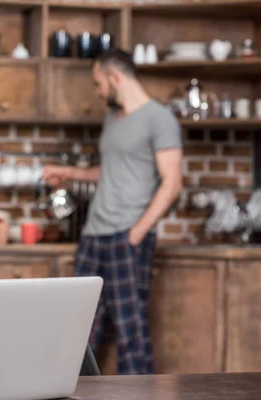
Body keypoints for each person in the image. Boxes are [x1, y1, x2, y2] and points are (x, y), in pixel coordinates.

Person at [43, 49, 183, 375]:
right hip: (94, 235)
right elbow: (111, 171)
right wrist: (71, 174)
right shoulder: (113, 118)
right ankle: (66, 390)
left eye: (98, 83)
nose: (98, 91)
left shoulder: (159, 120)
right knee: (79, 325)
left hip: (128, 236)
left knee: (129, 327)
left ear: (115, 77)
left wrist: (138, 231)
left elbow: (172, 183)